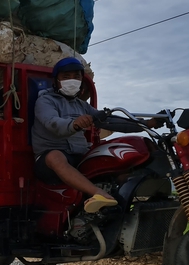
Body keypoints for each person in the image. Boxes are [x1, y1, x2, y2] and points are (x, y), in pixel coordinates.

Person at [31, 57, 161, 213]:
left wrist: (146, 124)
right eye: (66, 77)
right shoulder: (45, 101)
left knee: (113, 153)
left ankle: (130, 199)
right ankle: (98, 194)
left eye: (76, 77)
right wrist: (75, 124)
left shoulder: (82, 105)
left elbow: (110, 121)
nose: (72, 80)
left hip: (79, 155)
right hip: (48, 161)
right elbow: (54, 124)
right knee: (55, 157)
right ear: (56, 79)